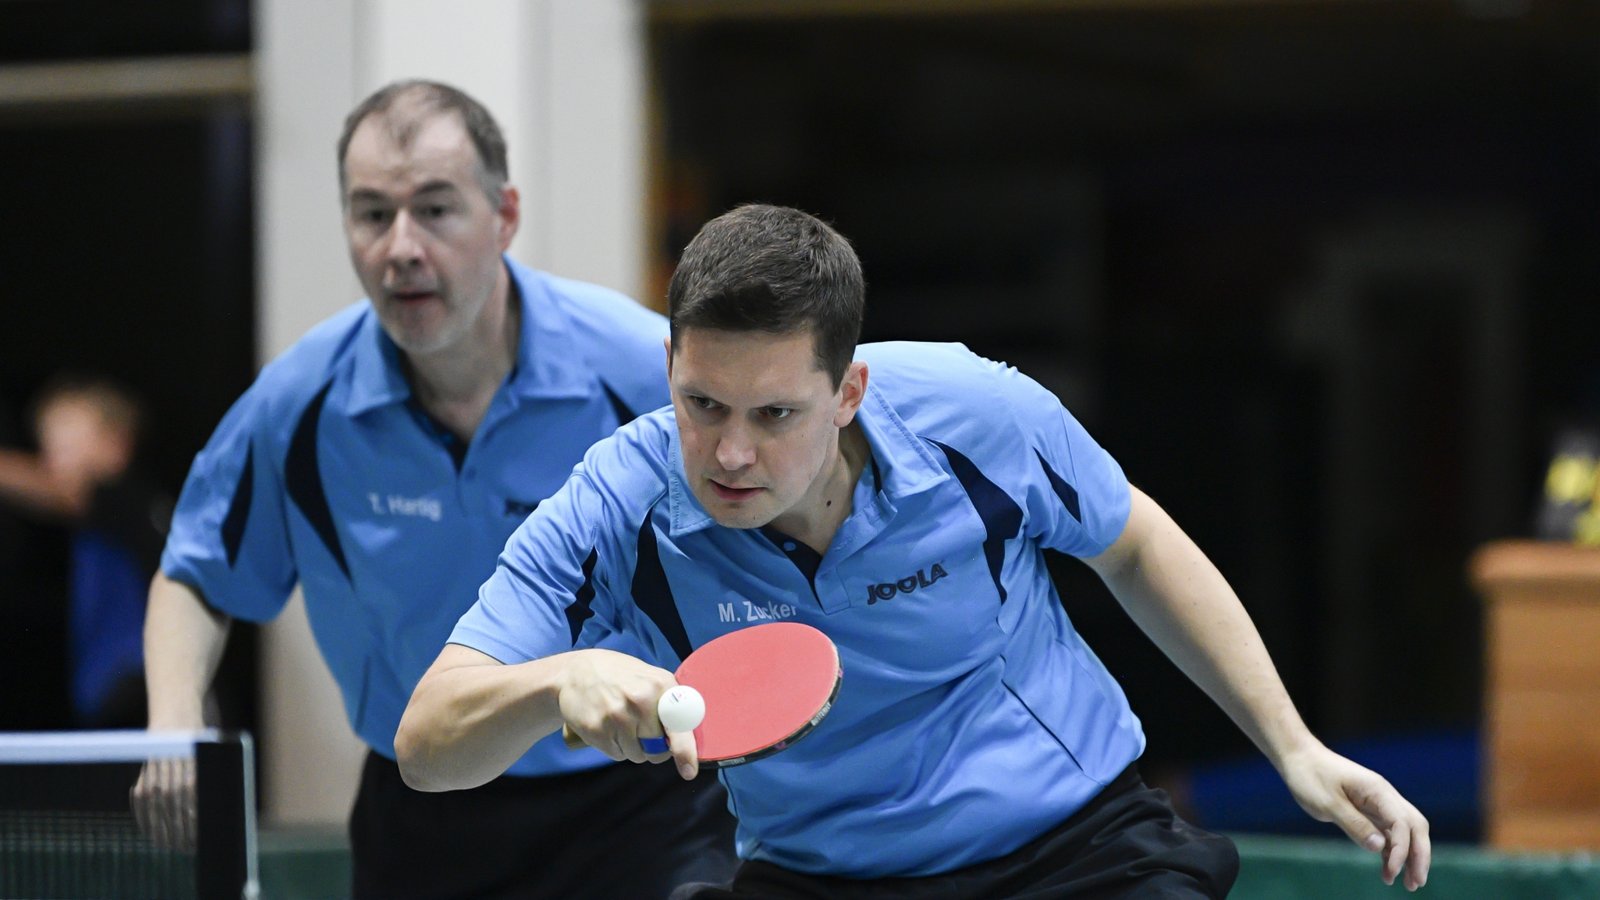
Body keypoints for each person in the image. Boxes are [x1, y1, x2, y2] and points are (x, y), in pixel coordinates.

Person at [397, 204, 1433, 898]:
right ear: (669, 364)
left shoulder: (975, 416)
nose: (730, 452)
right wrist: (554, 681)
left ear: (848, 391)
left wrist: (1292, 746)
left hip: (1071, 850)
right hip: (820, 877)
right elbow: (427, 743)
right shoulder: (616, 504)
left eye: (774, 413)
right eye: (701, 403)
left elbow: (1133, 543)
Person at [131, 80, 736, 899]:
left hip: (642, 801)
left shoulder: (641, 372)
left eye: (436, 209)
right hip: (425, 804)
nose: (401, 247)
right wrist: (173, 727)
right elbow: (199, 573)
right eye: (372, 214)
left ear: (504, 216)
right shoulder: (300, 405)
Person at [0, 375, 170, 727]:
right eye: (49, 446)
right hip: (110, 694)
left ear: (117, 444)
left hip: (149, 691)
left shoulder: (125, 499)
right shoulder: (106, 518)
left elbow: (65, 493)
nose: (52, 461)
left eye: (69, 445)